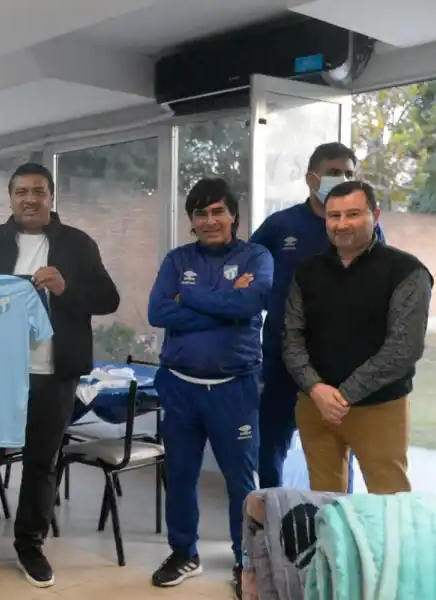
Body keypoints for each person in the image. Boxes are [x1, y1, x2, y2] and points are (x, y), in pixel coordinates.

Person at [0, 162, 119, 594]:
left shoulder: (77, 244)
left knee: (42, 464)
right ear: (10, 197)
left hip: (54, 374)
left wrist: (66, 289)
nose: (29, 198)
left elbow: (109, 298)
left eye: (38, 191)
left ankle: (30, 545)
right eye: (21, 191)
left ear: (51, 196)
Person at [148, 178, 273, 599]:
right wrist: (222, 307)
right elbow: (156, 311)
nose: (210, 220)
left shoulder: (256, 256)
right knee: (180, 476)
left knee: (241, 481)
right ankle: (183, 551)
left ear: (233, 215)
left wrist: (190, 298)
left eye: (218, 211)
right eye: (201, 214)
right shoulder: (177, 258)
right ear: (192, 221)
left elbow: (248, 304)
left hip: (233, 389)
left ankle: (247, 560)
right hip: (179, 387)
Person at [250, 142, 385, 490]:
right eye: (335, 172)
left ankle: (337, 527)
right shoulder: (280, 226)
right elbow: (247, 274)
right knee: (272, 444)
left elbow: (381, 284)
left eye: (350, 173)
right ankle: (271, 520)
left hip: (338, 361)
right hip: (282, 356)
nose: (343, 179)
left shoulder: (363, 230)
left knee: (338, 450)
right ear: (313, 179)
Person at [283, 180, 431, 494]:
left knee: (389, 503)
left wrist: (344, 394)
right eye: (334, 216)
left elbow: (404, 348)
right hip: (315, 406)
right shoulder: (307, 272)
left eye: (353, 214)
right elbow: (291, 336)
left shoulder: (406, 271)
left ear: (375, 215)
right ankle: (334, 546)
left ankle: (387, 548)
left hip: (378, 408)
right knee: (325, 504)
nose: (342, 224)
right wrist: (316, 389)